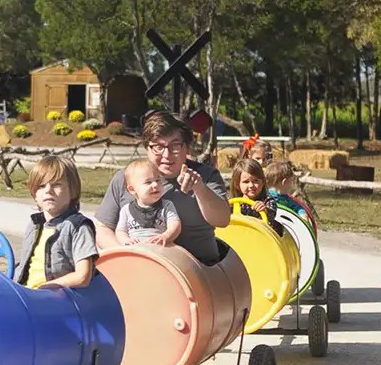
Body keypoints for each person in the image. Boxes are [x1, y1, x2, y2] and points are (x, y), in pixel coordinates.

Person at [94, 111, 230, 265]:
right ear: (147, 148)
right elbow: (103, 229)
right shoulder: (125, 178)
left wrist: (199, 188)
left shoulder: (206, 176)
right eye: (158, 146)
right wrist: (129, 256)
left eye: (175, 146)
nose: (167, 155)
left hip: (198, 268)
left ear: (187, 149)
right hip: (137, 266)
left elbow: (222, 220)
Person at [15, 156, 98, 289]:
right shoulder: (34, 225)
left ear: (73, 190)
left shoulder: (77, 227)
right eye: (41, 186)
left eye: (57, 184)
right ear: (35, 195)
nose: (48, 190)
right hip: (26, 295)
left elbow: (83, 276)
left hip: (56, 299)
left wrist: (47, 286)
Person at [115, 159, 182, 246]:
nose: (155, 185)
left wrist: (166, 236)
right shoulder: (126, 210)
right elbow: (120, 231)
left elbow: (175, 225)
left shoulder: (166, 206)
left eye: (158, 180)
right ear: (132, 189)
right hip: (136, 249)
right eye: (148, 182)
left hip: (160, 247)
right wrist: (126, 240)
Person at [230, 158, 278, 223]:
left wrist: (265, 210)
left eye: (256, 181)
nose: (251, 185)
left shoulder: (268, 200)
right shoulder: (234, 204)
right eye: (246, 182)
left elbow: (272, 214)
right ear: (237, 184)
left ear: (263, 182)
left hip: (261, 232)